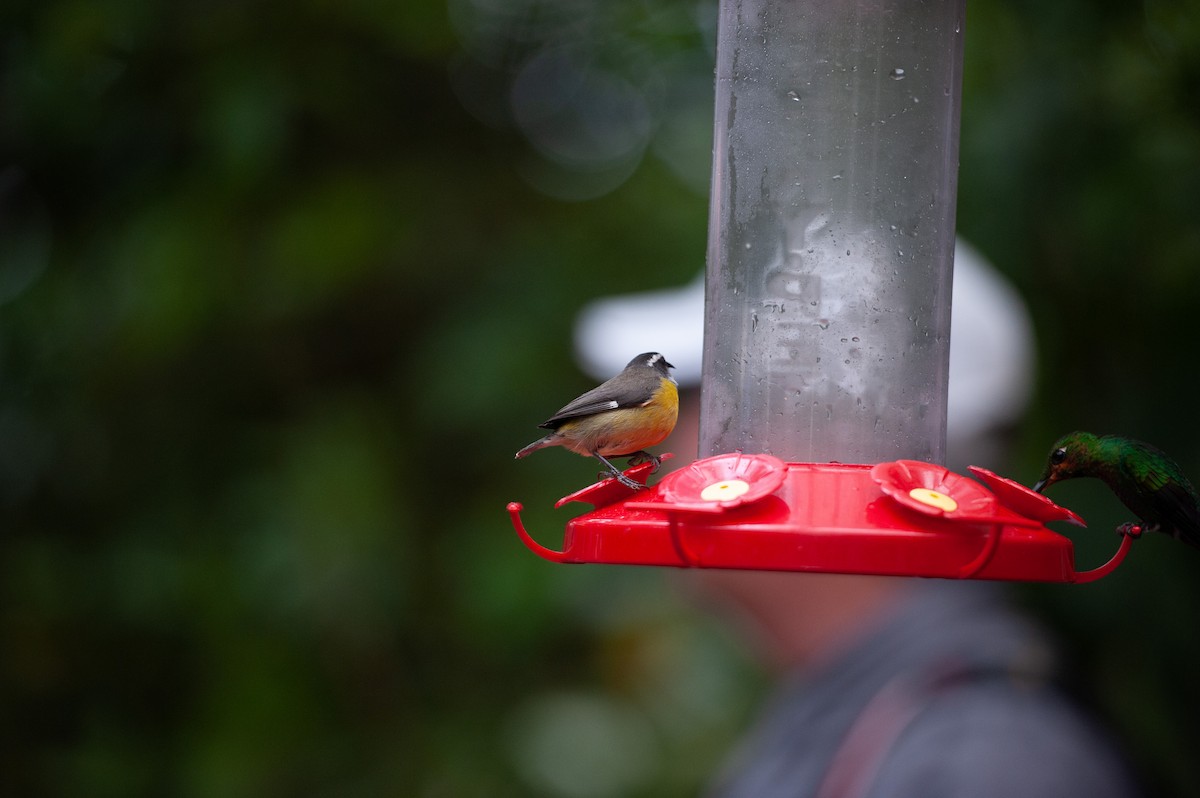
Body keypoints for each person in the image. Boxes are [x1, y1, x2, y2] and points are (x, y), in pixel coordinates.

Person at [573, 242, 1141, 797]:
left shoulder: (982, 759)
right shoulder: (870, 706)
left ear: (823, 438)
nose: (654, 437)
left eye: (691, 393)